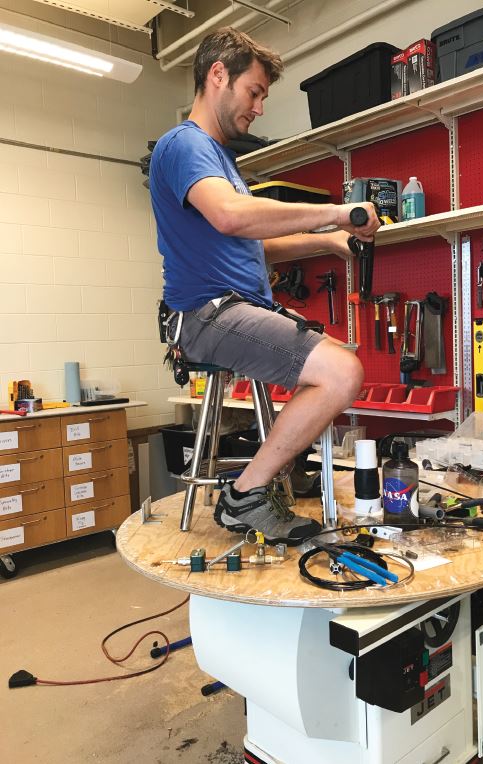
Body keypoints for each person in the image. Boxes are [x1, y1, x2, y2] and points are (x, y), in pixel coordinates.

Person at [150, 27, 379, 546]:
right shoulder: (185, 145)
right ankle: (246, 495)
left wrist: (328, 242)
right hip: (208, 315)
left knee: (339, 367)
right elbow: (233, 219)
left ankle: (258, 486)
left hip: (233, 307)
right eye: (254, 92)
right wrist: (336, 211)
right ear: (217, 76)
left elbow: (254, 246)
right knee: (343, 373)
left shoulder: (221, 161)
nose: (258, 108)